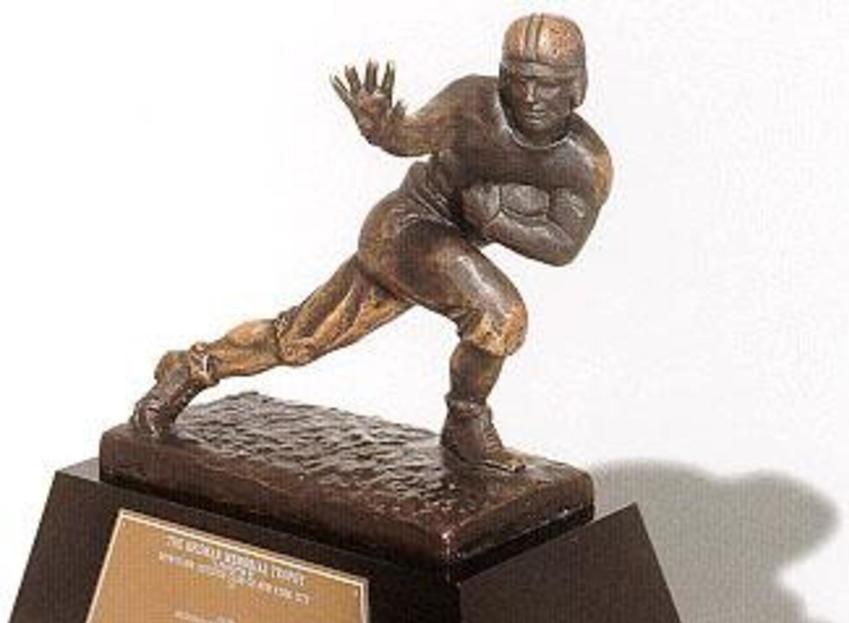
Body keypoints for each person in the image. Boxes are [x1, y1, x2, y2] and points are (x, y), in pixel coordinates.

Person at [131, 13, 613, 472]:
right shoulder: (473, 102)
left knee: (301, 339)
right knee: (499, 316)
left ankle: (189, 370)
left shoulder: (584, 163)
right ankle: (466, 419)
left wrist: (496, 218)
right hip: (405, 229)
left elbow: (562, 245)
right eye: (518, 79)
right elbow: (412, 135)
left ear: (577, 86)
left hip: (445, 251)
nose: (529, 96)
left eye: (547, 84)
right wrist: (383, 128)